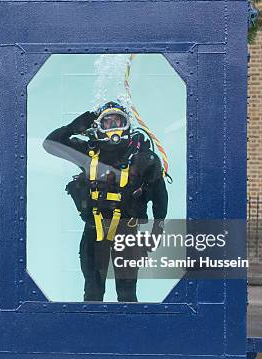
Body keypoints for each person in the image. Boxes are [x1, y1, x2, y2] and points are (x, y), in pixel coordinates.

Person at [43, 101, 168, 302]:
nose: (113, 128)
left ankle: (128, 333)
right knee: (92, 293)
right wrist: (78, 125)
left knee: (127, 294)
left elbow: (160, 197)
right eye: (107, 123)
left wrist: (157, 230)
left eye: (118, 122)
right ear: (98, 126)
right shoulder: (87, 153)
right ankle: (92, 333)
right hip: (94, 230)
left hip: (127, 232)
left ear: (127, 125)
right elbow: (50, 144)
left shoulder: (144, 158)